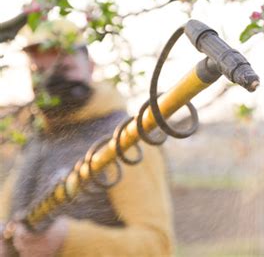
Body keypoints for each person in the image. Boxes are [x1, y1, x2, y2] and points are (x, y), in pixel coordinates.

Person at [0, 19, 175, 257]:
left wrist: (69, 241)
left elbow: (157, 246)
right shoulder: (36, 141)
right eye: (39, 72)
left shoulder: (124, 139)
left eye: (64, 69)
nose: (52, 81)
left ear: (90, 66)